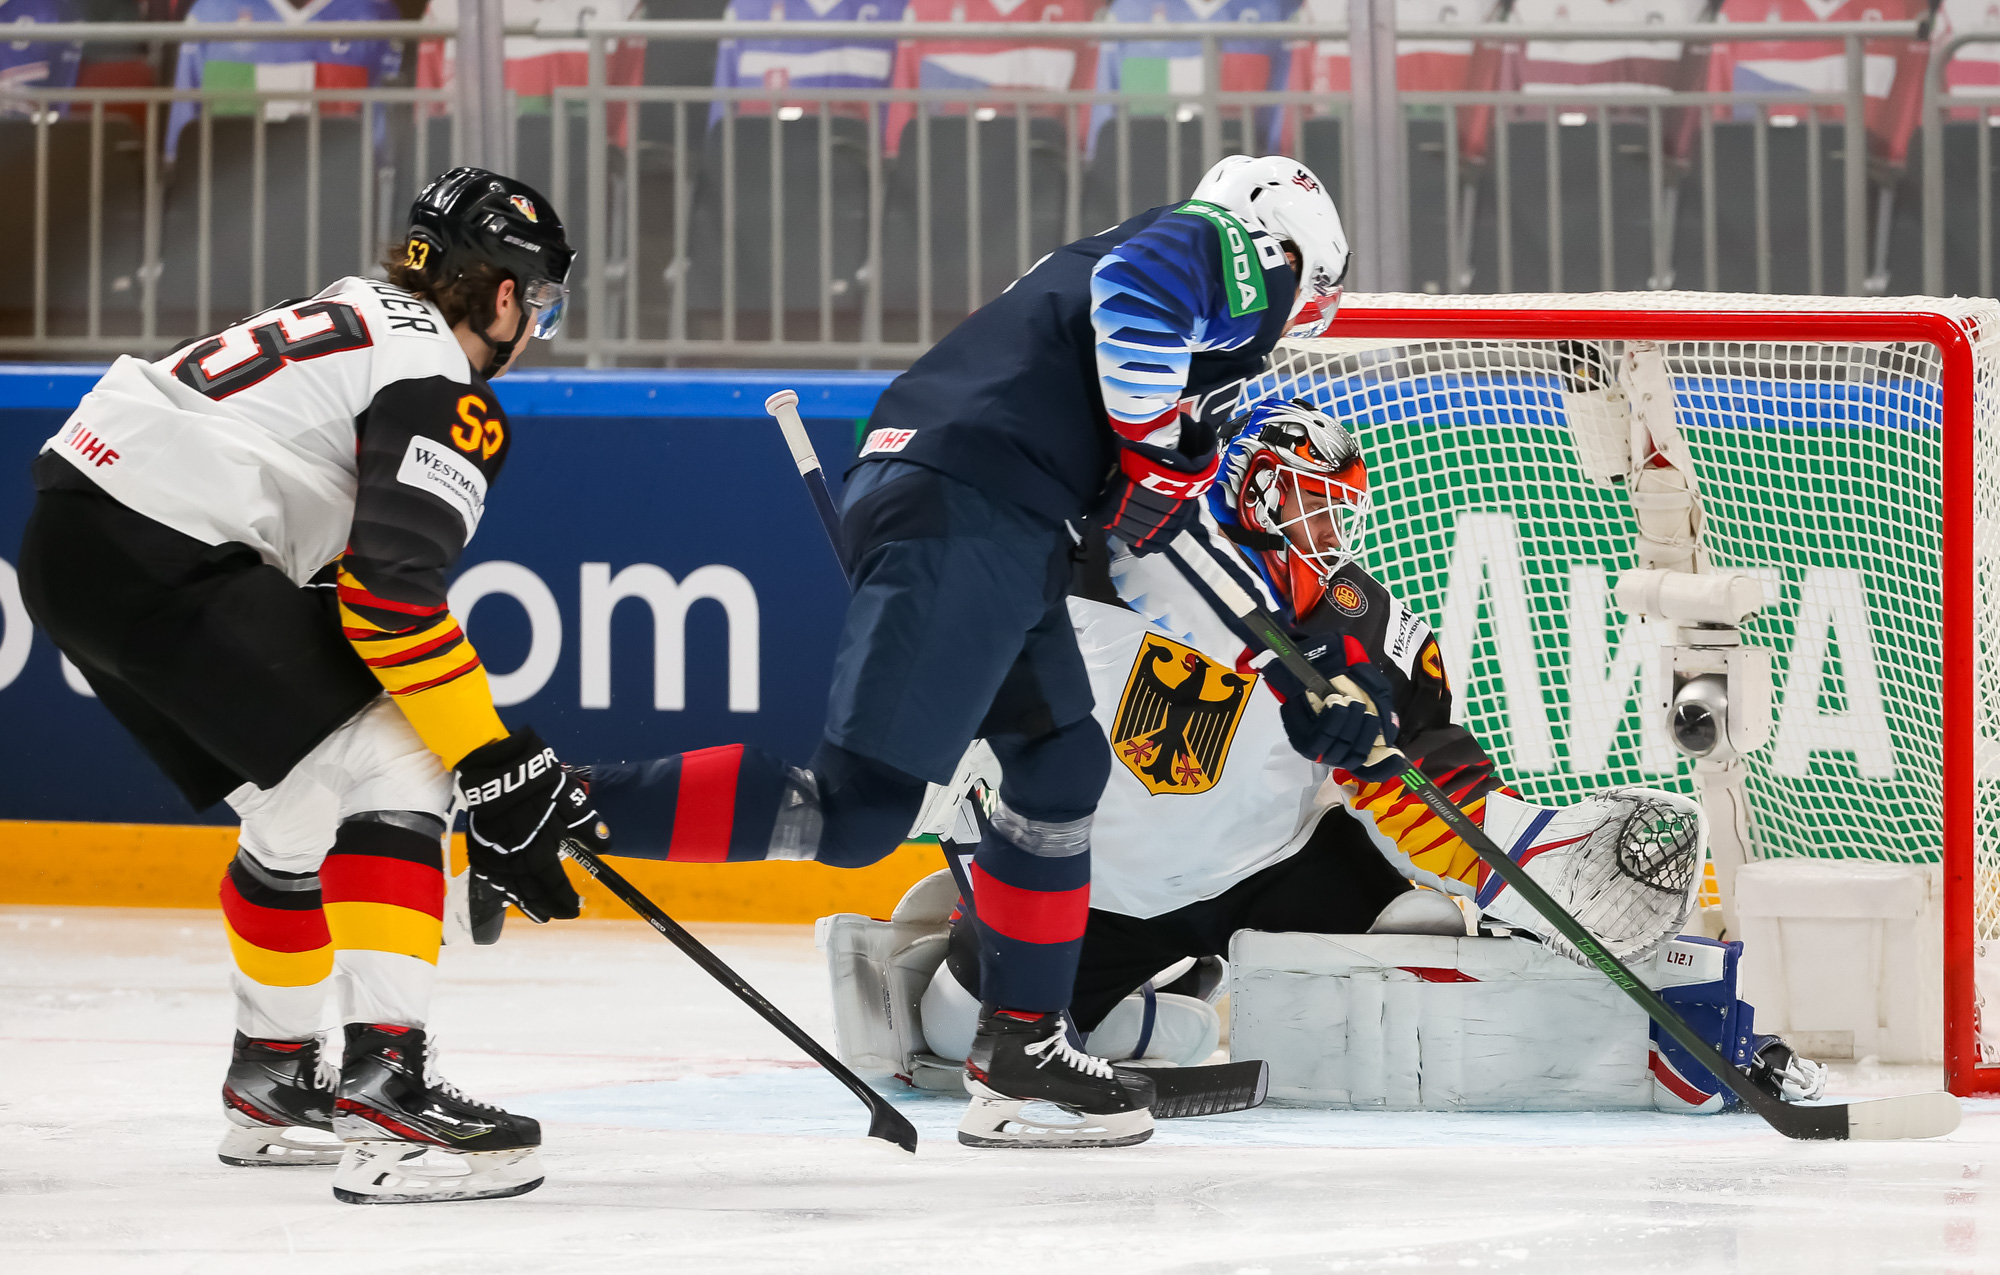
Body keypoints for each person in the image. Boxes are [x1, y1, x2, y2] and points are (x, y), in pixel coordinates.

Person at [582, 154, 1374, 1148]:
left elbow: (1165, 534)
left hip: (996, 511)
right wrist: (1152, 452)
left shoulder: (1139, 311)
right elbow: (1134, 308)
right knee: (859, 807)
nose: (1287, 328)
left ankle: (1023, 1050)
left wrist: (1282, 666)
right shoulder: (1219, 241)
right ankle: (557, 803)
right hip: (970, 504)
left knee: (1058, 762)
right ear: (1296, 249)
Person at [15, 167, 607, 1204]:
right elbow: (389, 603)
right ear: (506, 296)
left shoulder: (346, 314)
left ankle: (274, 1082)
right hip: (167, 552)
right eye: (540, 311)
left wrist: (491, 758)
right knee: (406, 759)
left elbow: (343, 594)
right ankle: (387, 1099)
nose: (529, 337)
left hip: (76, 539)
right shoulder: (441, 387)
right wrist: (490, 763)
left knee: (296, 798)